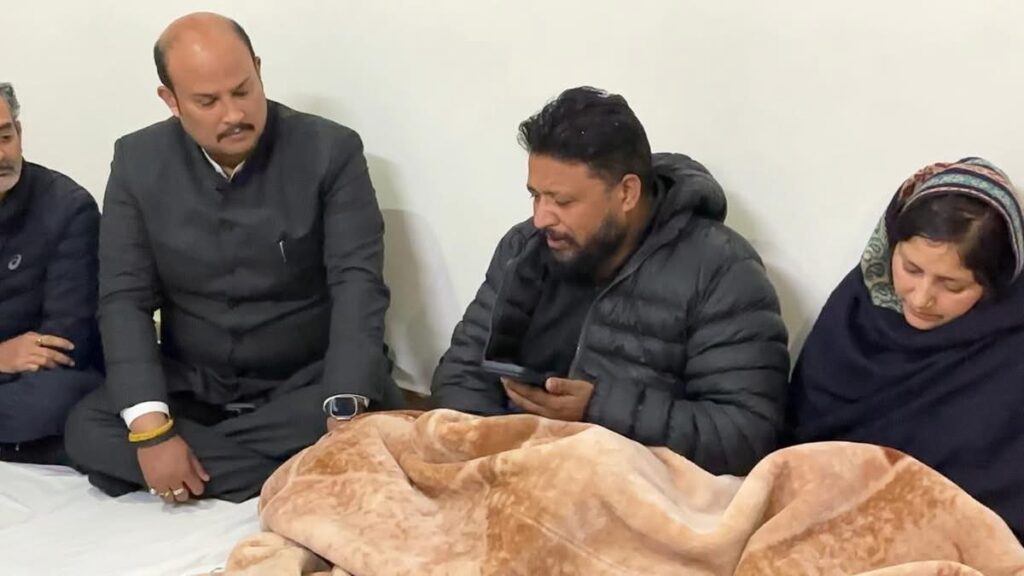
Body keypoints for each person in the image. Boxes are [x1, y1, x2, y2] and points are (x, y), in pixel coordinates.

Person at [65, 13, 401, 504]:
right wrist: (153, 434)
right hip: (196, 383)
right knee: (88, 427)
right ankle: (300, 476)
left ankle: (199, 471)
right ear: (170, 100)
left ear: (259, 70)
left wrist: (343, 409)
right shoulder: (138, 161)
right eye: (208, 101)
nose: (233, 114)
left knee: (370, 406)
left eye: (243, 91)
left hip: (304, 383)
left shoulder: (330, 150)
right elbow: (124, 299)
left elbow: (358, 283)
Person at [431, 87, 790, 475]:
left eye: (562, 201)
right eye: (535, 196)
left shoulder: (721, 270)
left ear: (627, 193)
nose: (541, 218)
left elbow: (745, 436)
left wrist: (598, 408)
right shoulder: (524, 248)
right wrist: (490, 459)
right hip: (507, 470)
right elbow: (461, 372)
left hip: (634, 488)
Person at [789, 157, 1024, 539]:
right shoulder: (854, 313)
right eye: (911, 269)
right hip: (818, 525)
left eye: (952, 285)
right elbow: (796, 447)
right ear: (890, 248)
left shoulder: (1011, 355)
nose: (921, 297)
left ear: (994, 283)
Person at [0, 82, 102, 464]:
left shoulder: (68, 208)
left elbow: (64, 341)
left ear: (19, 132)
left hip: (42, 381)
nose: (1, 154)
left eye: (5, 137)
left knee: (61, 399)